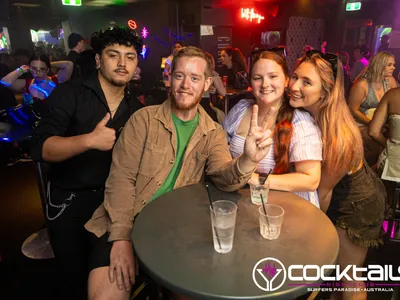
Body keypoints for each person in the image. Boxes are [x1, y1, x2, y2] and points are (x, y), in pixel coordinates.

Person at [85, 46, 275, 300]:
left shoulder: (213, 131)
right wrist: (121, 239)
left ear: (207, 83)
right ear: (170, 78)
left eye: (195, 78)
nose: (186, 85)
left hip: (174, 229)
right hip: (123, 221)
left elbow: (223, 176)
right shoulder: (143, 120)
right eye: (179, 76)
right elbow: (120, 180)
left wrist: (248, 159)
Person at [30, 26, 143, 300]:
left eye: (129, 57)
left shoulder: (137, 109)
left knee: (112, 278)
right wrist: (89, 141)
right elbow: (41, 149)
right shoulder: (70, 93)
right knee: (73, 281)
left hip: (113, 204)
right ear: (97, 60)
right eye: (113, 55)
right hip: (70, 202)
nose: (122, 63)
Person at [290, 50, 386, 300]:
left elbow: (321, 193)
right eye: (295, 77)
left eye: (306, 82)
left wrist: (307, 233)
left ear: (325, 92)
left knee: (350, 278)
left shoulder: (338, 135)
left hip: (356, 204)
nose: (294, 86)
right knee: (335, 278)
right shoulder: (314, 113)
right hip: (340, 194)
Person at [223, 51, 322, 206]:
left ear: (286, 81)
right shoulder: (240, 109)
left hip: (288, 208)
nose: (265, 84)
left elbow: (311, 180)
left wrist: (254, 178)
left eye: (273, 76)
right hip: (244, 201)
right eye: (257, 78)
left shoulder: (300, 122)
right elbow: (222, 150)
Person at [349, 51, 397, 166]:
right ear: (379, 65)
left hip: (380, 123)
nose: (394, 68)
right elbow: (352, 110)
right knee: (373, 139)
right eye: (389, 65)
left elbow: (394, 104)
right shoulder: (362, 85)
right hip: (361, 122)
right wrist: (371, 123)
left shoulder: (390, 81)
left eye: (393, 64)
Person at [369, 87, 400, 206]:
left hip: (393, 164)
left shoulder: (392, 94)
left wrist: (390, 145)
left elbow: (373, 131)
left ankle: (391, 205)